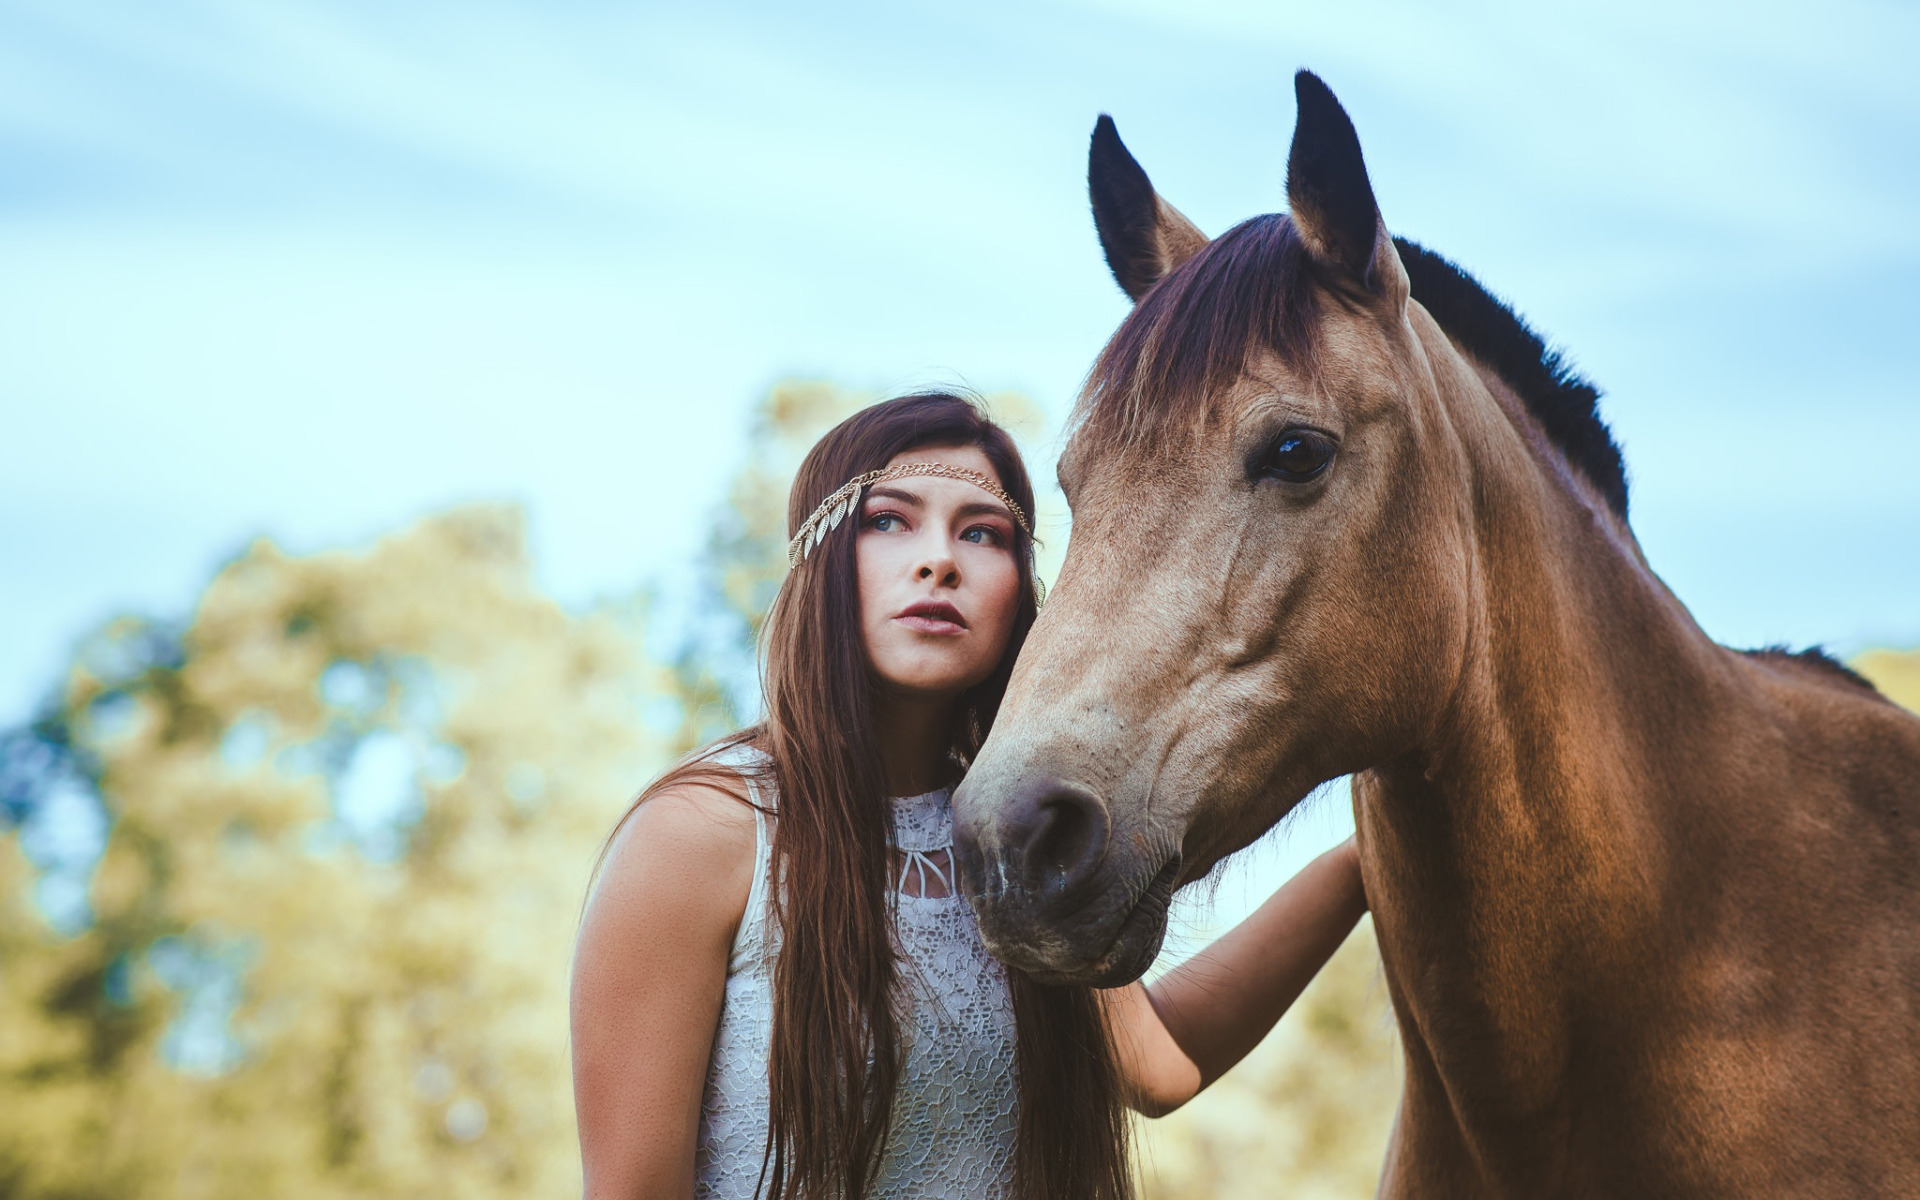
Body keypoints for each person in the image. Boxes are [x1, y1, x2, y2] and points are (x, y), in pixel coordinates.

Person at [570, 392, 1368, 1200]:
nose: (939, 560)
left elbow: (1159, 1063)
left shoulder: (1019, 838)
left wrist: (1364, 863)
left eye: (982, 533)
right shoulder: (703, 832)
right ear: (818, 558)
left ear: (1020, 591)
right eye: (889, 520)